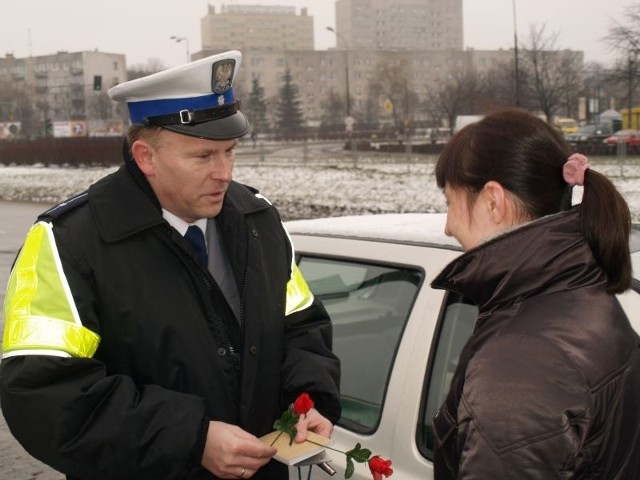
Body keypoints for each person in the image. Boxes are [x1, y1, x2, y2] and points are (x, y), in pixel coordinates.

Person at [0, 50, 341, 480]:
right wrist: (191, 440)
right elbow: (42, 394)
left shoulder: (258, 219)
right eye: (203, 157)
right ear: (146, 158)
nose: (224, 173)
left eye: (230, 152)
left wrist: (307, 398)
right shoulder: (68, 241)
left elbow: (300, 327)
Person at [430, 109, 640, 479]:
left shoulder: (521, 362)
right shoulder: (585, 297)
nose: (447, 227)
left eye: (450, 201)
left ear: (493, 201)